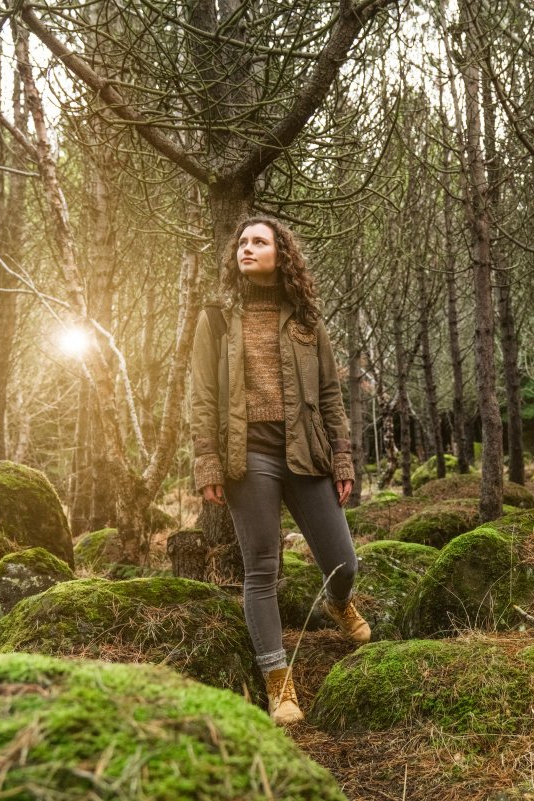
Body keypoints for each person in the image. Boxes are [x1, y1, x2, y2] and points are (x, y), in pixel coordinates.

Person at [190, 214, 369, 726]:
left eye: (259, 241)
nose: (246, 248)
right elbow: (202, 396)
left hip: (306, 452)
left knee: (343, 562)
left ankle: (338, 603)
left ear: (280, 253)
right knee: (262, 569)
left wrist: (341, 455)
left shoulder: (307, 320)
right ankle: (278, 682)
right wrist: (208, 462)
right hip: (248, 458)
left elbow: (332, 394)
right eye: (241, 242)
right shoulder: (217, 319)